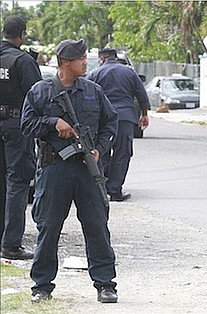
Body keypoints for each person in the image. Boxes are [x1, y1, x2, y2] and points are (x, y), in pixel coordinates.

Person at [21, 39, 119, 303]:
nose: (86, 62)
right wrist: (53, 123)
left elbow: (111, 122)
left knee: (97, 225)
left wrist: (99, 148)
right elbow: (27, 125)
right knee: (49, 227)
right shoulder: (40, 92)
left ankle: (105, 284)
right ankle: (41, 286)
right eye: (81, 58)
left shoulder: (93, 91)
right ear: (65, 62)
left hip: (88, 169)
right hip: (55, 168)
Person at [0, 15, 41, 260]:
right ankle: (11, 244)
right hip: (17, 125)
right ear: (22, 35)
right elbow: (38, 96)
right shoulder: (23, 61)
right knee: (18, 181)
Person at [87, 48, 150, 202]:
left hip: (104, 119)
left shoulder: (95, 74)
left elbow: (87, 95)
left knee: (102, 152)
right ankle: (115, 190)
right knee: (123, 153)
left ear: (101, 59)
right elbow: (141, 93)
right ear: (115, 58)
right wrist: (144, 114)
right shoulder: (129, 72)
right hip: (125, 118)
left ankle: (102, 188)